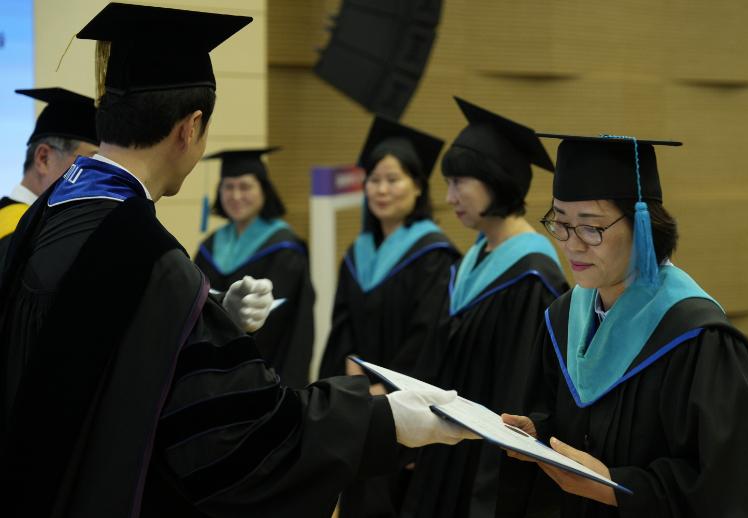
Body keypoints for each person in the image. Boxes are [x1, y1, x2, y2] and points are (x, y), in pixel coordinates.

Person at [0, 4, 474, 518]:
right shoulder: (149, 256)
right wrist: (384, 419)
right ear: (191, 128)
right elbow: (239, 439)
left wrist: (206, 313)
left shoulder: (45, 214)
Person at [501, 134, 748, 517]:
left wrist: (619, 487)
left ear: (643, 227)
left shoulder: (698, 338)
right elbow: (560, 415)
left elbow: (729, 483)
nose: (571, 245)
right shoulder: (563, 317)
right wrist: (537, 432)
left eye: (591, 228)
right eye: (560, 223)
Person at [400, 98, 569, 518]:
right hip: (448, 449)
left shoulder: (532, 275)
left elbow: (520, 387)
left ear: (497, 180)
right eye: (448, 183)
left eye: (459, 182)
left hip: (485, 464)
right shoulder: (474, 258)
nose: (449, 196)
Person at [319, 116, 460, 517]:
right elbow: (341, 325)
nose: (381, 190)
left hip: (404, 403)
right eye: (374, 180)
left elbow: (428, 334)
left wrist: (385, 388)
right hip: (360, 404)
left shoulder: (435, 256)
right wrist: (351, 379)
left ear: (417, 187)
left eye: (393, 179)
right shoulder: (357, 253)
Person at [195, 147, 315, 387]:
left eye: (245, 186)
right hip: (214, 377)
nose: (236, 195)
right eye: (228, 187)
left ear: (264, 190)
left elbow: (295, 327)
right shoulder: (209, 246)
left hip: (266, 375)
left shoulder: (285, 248)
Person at [0, 88, 98, 242]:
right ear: (43, 159)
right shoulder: (15, 231)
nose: (99, 177)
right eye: (90, 162)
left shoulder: (42, 226)